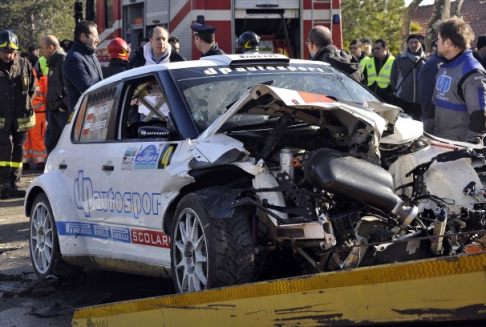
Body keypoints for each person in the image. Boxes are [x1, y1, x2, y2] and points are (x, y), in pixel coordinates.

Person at [432, 18, 486, 143]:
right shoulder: (445, 65)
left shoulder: (472, 72)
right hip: (441, 141)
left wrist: (469, 148)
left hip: (458, 150)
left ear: (448, 43)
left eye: (439, 39)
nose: (436, 43)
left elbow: (480, 117)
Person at [0, 30, 35, 199]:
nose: (8, 55)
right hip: (1, 117)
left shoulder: (24, 64)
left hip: (20, 117)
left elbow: (32, 89)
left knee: (18, 150)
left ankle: (14, 183)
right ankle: (3, 184)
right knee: (3, 150)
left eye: (11, 52)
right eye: (5, 52)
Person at [64, 20, 103, 113]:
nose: (98, 40)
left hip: (94, 111)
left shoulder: (91, 54)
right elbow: (89, 90)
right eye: (95, 36)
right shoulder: (74, 59)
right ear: (83, 37)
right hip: (83, 116)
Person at [39, 34, 69, 153]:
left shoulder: (63, 60)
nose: (40, 51)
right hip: (54, 111)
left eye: (41, 48)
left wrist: (63, 106)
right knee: (51, 144)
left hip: (61, 113)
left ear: (50, 48)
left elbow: (69, 87)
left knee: (61, 146)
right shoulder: (53, 61)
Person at [390, 34, 427, 120]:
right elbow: (393, 77)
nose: (413, 45)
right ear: (407, 44)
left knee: (418, 126)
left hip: (420, 101)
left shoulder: (427, 59)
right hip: (403, 99)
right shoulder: (400, 59)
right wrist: (397, 90)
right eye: (411, 42)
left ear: (420, 43)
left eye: (416, 42)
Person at [23, 56, 48, 170]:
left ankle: (26, 161)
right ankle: (38, 161)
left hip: (33, 113)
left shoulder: (40, 80)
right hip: (36, 114)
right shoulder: (40, 80)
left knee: (27, 138)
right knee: (33, 138)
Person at [418, 39, 443, 132]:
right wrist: (430, 118)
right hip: (434, 119)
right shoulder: (432, 65)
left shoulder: (447, 62)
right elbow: (426, 94)